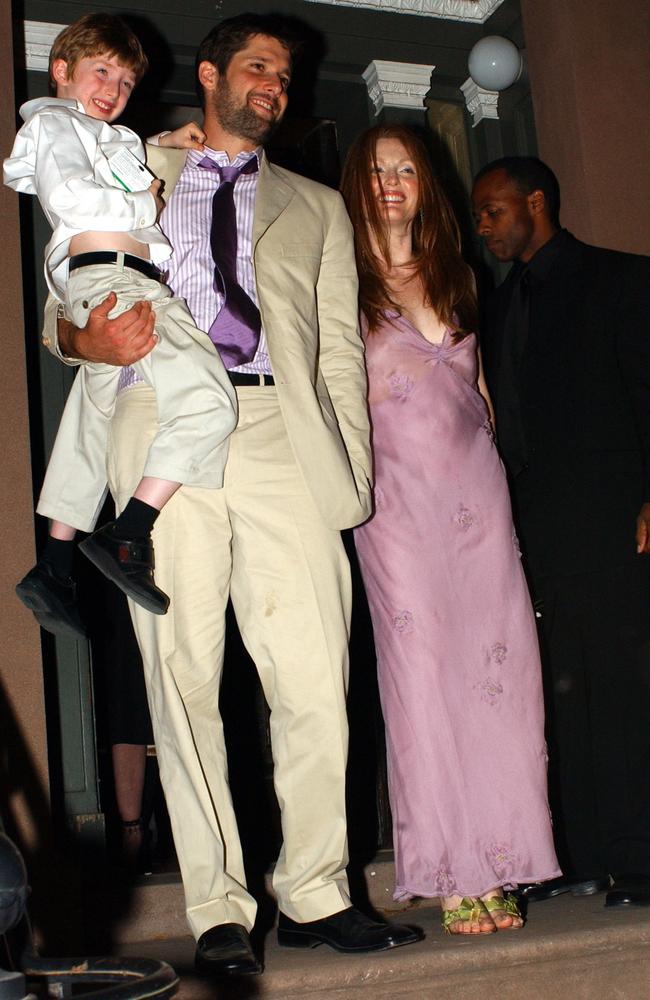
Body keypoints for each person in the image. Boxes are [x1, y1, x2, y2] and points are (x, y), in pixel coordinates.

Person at [39, 14, 423, 977]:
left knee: (311, 678)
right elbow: (65, 297)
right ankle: (217, 905)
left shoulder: (318, 206)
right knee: (180, 670)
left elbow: (339, 350)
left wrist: (351, 475)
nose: (275, 87)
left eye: (286, 77)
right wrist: (83, 342)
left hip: (284, 437)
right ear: (211, 74)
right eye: (258, 68)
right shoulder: (132, 163)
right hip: (158, 422)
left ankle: (318, 890)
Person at [340, 125, 560, 935]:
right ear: (355, 185)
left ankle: (503, 861)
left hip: (478, 493)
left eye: (406, 168)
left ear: (423, 185)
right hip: (395, 502)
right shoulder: (339, 279)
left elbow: (482, 395)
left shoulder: (458, 274)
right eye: (376, 169)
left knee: (502, 677)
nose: (393, 181)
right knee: (425, 679)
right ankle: (450, 868)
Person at [4, 13, 237, 631]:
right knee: (212, 401)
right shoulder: (53, 121)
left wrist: (163, 141)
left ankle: (54, 563)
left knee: (92, 421)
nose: (113, 88)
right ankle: (129, 533)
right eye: (100, 71)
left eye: (126, 81)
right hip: (115, 279)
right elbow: (74, 197)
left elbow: (106, 161)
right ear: (61, 71)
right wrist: (146, 200)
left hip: (104, 279)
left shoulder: (98, 133)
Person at [472, 156, 650, 908]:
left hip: (613, 520)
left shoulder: (623, 279)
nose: (483, 226)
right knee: (557, 692)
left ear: (535, 202)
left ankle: (639, 859)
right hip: (534, 531)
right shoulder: (498, 306)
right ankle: (576, 854)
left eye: (492, 210)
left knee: (623, 688)